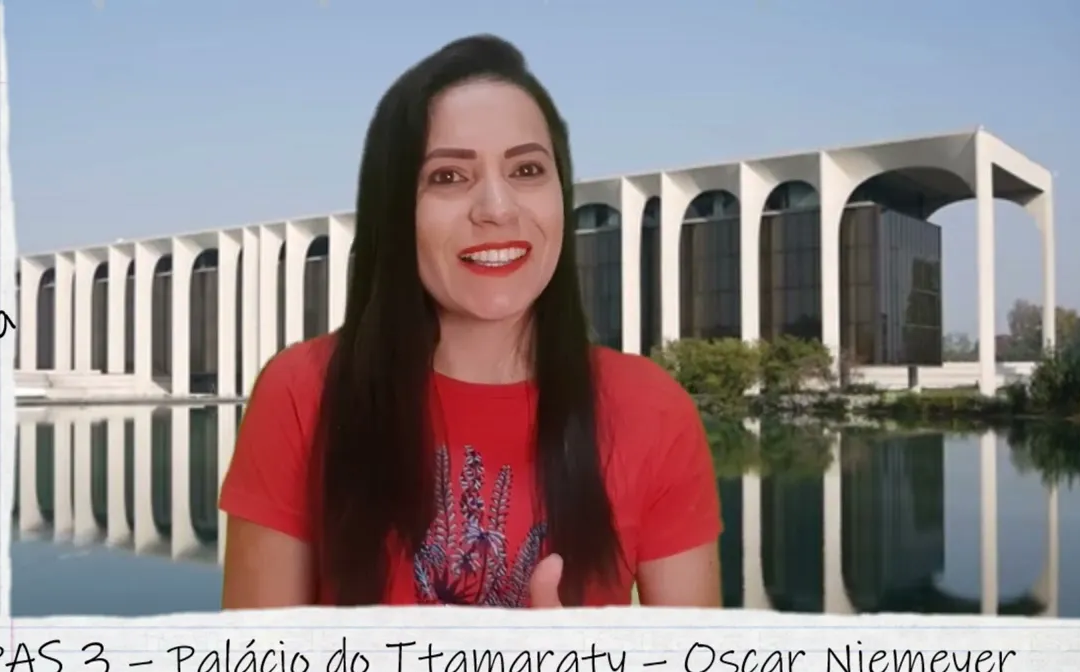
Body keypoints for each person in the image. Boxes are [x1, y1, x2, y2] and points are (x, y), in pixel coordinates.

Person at [220, 34, 722, 609]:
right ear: (395, 210)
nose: (497, 208)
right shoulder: (303, 392)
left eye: (527, 169)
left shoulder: (652, 410)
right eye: (449, 177)